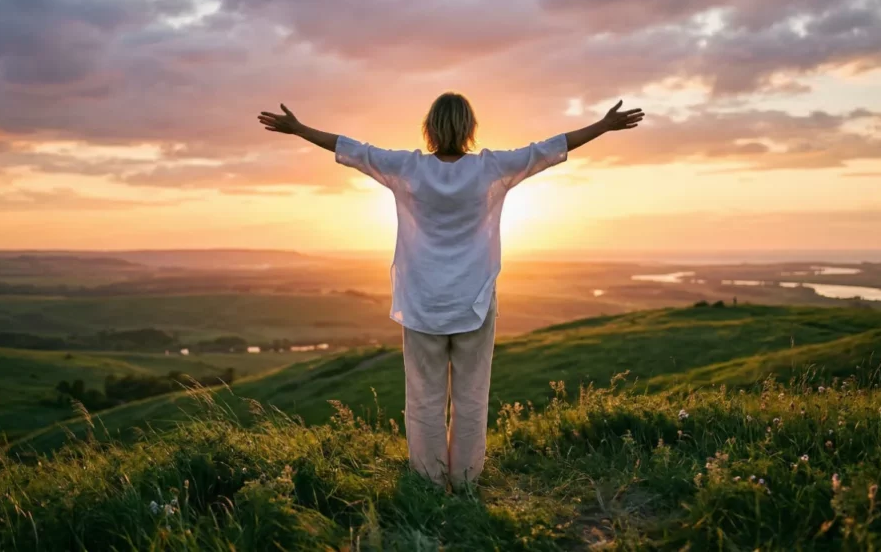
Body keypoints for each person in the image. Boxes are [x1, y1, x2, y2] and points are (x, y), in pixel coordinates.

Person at [257, 92, 644, 487]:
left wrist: (300, 129)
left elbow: (352, 149)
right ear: (470, 128)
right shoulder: (491, 168)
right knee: (471, 395)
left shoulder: (407, 167)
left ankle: (428, 480)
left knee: (424, 397)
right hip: (474, 300)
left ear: (429, 128)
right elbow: (548, 149)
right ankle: (464, 480)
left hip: (421, 301)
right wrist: (602, 126)